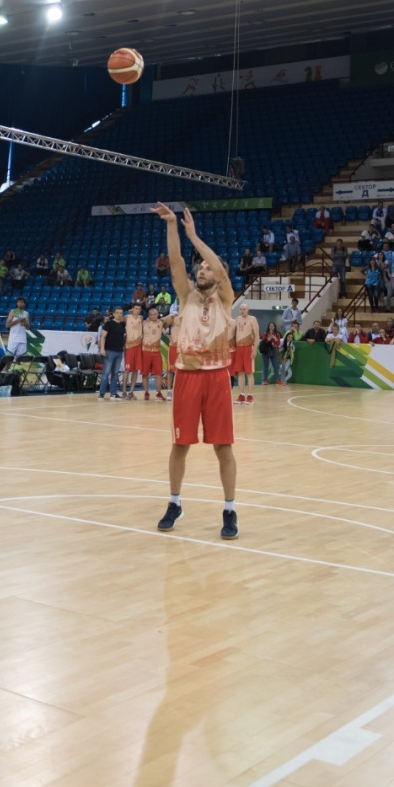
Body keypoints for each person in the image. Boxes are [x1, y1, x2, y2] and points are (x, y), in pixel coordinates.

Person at [151, 205, 239, 540]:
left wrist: (194, 235)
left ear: (218, 275)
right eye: (199, 267)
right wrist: (173, 227)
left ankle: (229, 510)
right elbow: (175, 262)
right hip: (186, 376)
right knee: (180, 444)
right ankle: (174, 503)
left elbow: (217, 266)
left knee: (223, 447)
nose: (201, 270)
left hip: (217, 377)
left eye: (206, 268)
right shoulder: (186, 296)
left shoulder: (226, 299)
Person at [231, 302, 259, 403]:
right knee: (240, 373)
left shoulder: (252, 319)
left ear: (248, 310)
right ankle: (241, 395)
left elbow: (256, 335)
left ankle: (250, 396)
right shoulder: (237, 320)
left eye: (244, 309)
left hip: (248, 348)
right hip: (239, 348)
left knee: (249, 372)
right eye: (240, 309)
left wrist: (255, 349)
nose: (242, 311)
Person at [98, 306, 126, 401]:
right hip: (109, 351)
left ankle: (113, 393)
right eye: (117, 313)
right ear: (113, 314)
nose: (119, 315)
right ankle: (101, 393)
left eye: (121, 313)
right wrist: (102, 349)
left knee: (115, 373)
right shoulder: (109, 324)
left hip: (119, 351)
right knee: (106, 372)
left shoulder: (122, 325)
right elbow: (103, 337)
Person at [139, 307, 165, 401]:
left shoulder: (161, 323)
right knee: (145, 373)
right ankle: (146, 392)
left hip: (156, 351)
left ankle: (158, 393)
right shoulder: (144, 323)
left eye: (155, 314)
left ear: (158, 314)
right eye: (151, 314)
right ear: (149, 315)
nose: (153, 316)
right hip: (145, 351)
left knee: (159, 373)